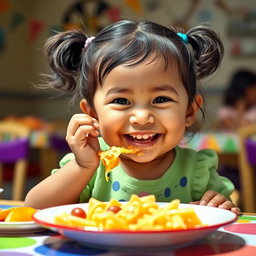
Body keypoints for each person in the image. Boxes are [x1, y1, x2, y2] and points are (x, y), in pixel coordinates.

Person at [25, 20, 240, 214]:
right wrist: (83, 167)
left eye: (161, 99)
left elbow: (225, 214)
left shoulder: (198, 171)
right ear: (92, 114)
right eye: (121, 101)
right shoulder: (90, 167)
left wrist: (221, 205)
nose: (142, 117)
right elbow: (34, 209)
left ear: (189, 111)